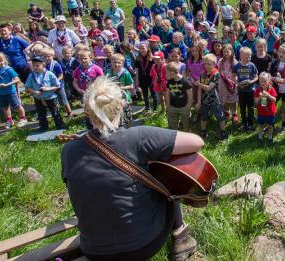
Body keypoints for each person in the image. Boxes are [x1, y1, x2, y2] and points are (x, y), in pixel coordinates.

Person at [61, 76, 202, 260]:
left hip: (94, 251)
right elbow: (197, 142)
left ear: (87, 112)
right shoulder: (139, 136)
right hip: (143, 245)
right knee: (165, 178)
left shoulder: (69, 150)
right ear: (121, 105)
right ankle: (181, 239)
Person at [0, 52, 29, 128]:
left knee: (17, 106)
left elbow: (17, 79)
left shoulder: (9, 69)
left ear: (4, 60)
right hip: (0, 93)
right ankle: (9, 120)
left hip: (11, 92)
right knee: (5, 107)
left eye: (0, 60)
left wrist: (7, 84)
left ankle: (23, 118)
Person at [25, 57, 65, 132]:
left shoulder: (50, 74)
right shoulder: (31, 75)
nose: (35, 67)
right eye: (34, 66)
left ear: (43, 65)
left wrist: (48, 88)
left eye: (37, 65)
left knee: (55, 112)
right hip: (38, 98)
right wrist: (33, 91)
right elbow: (27, 87)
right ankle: (43, 127)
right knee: (41, 114)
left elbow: (58, 85)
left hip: (50, 97)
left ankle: (60, 125)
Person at [197, 54, 227, 139]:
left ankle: (223, 132)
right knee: (204, 116)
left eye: (209, 64)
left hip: (215, 100)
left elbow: (208, 88)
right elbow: (200, 90)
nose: (206, 66)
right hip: (204, 100)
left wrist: (198, 83)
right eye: (205, 64)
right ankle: (203, 131)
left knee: (220, 116)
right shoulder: (203, 74)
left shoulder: (216, 74)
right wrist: (199, 101)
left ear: (214, 64)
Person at [234, 47, 259, 131]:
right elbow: (233, 76)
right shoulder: (236, 66)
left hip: (250, 90)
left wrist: (251, 82)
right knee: (242, 108)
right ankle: (244, 124)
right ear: (240, 56)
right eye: (246, 57)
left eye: (249, 57)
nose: (248, 58)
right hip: (241, 90)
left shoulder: (252, 65)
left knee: (251, 108)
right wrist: (237, 83)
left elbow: (256, 76)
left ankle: (251, 124)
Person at [166, 61, 193, 131]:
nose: (166, 74)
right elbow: (167, 94)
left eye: (167, 72)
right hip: (172, 107)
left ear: (172, 72)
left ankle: (187, 138)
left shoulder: (185, 82)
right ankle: (174, 138)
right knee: (172, 125)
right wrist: (168, 106)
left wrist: (188, 107)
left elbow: (190, 96)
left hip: (184, 108)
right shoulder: (170, 81)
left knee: (186, 125)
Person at [255, 71, 278, 144]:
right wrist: (259, 97)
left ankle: (270, 137)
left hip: (270, 112)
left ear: (268, 81)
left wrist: (268, 95)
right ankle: (260, 136)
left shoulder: (272, 89)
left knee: (270, 125)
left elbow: (274, 100)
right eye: (261, 81)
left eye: (264, 81)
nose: (262, 83)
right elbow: (256, 103)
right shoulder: (258, 90)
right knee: (260, 124)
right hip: (261, 112)